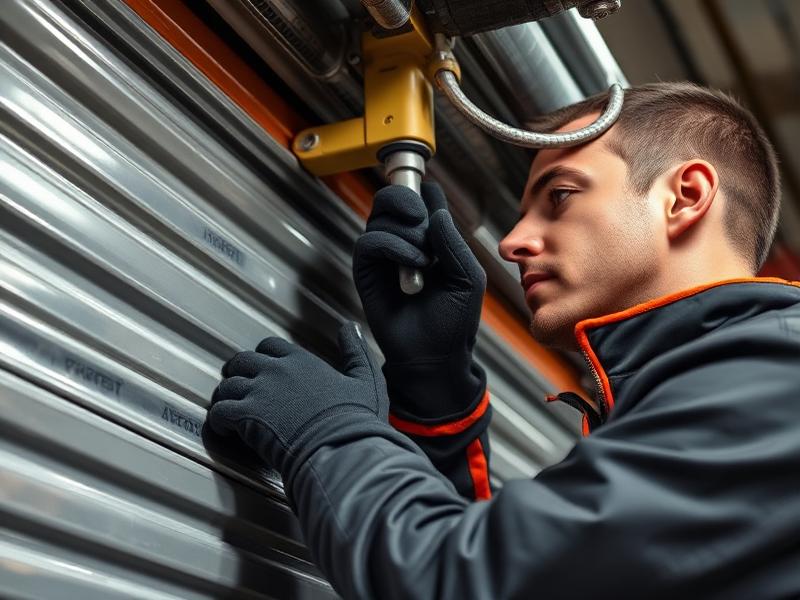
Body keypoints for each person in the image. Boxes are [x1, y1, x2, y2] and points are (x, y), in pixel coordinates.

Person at [207, 82, 800, 599]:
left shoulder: (776, 380)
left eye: (560, 196)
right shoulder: (718, 395)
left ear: (686, 195)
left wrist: (325, 435)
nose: (512, 242)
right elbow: (504, 561)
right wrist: (434, 388)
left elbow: (464, 581)